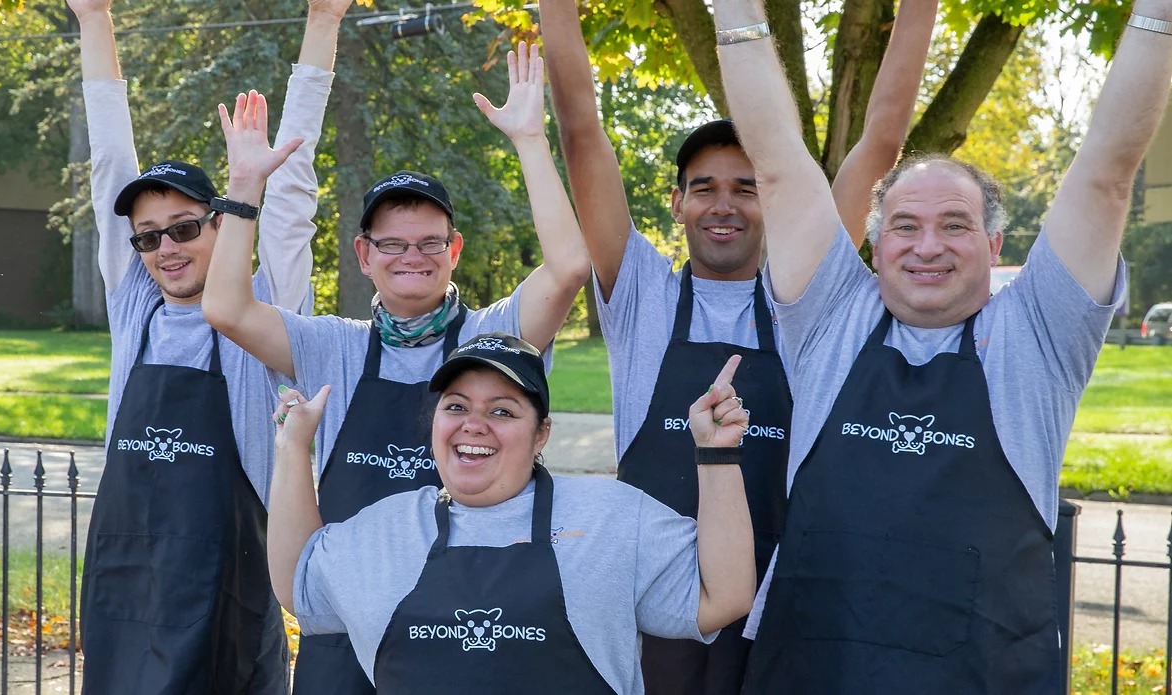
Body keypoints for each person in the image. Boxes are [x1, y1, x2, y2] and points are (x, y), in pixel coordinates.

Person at [712, 0, 1172, 689]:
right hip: (812, 666)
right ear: (872, 242)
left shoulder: (1038, 332)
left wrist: (1158, 15)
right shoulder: (829, 313)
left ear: (992, 245)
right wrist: (736, 11)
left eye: (954, 225)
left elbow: (1107, 173)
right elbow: (776, 161)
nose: (927, 246)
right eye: (904, 226)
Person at [538, 0, 936, 690]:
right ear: (676, 203)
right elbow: (580, 130)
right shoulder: (640, 295)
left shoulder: (808, 292)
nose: (723, 204)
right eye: (704, 188)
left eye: (746, 188)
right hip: (651, 599)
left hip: (779, 602)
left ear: (772, 201)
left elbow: (879, 142)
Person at [203, 42, 590, 692]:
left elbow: (569, 268)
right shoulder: (332, 346)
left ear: (453, 250)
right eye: (391, 243)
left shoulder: (495, 336)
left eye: (428, 242)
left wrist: (528, 139)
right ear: (362, 254)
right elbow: (226, 305)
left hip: (468, 625)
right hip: (346, 628)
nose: (411, 256)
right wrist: (243, 188)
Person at [69, 0, 345, 690]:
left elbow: (292, 194)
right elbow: (110, 163)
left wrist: (324, 21)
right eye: (148, 234)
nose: (166, 247)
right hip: (126, 589)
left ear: (223, 227)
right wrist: (94, 18)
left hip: (228, 585)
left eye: (186, 227)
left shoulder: (262, 307)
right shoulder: (135, 310)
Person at [268, 332, 755, 693]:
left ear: (542, 433)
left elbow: (725, 596)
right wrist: (292, 449)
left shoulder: (613, 518)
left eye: (502, 411)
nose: (474, 425)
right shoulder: (384, 529)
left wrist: (717, 454)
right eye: (456, 407)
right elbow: (299, 584)